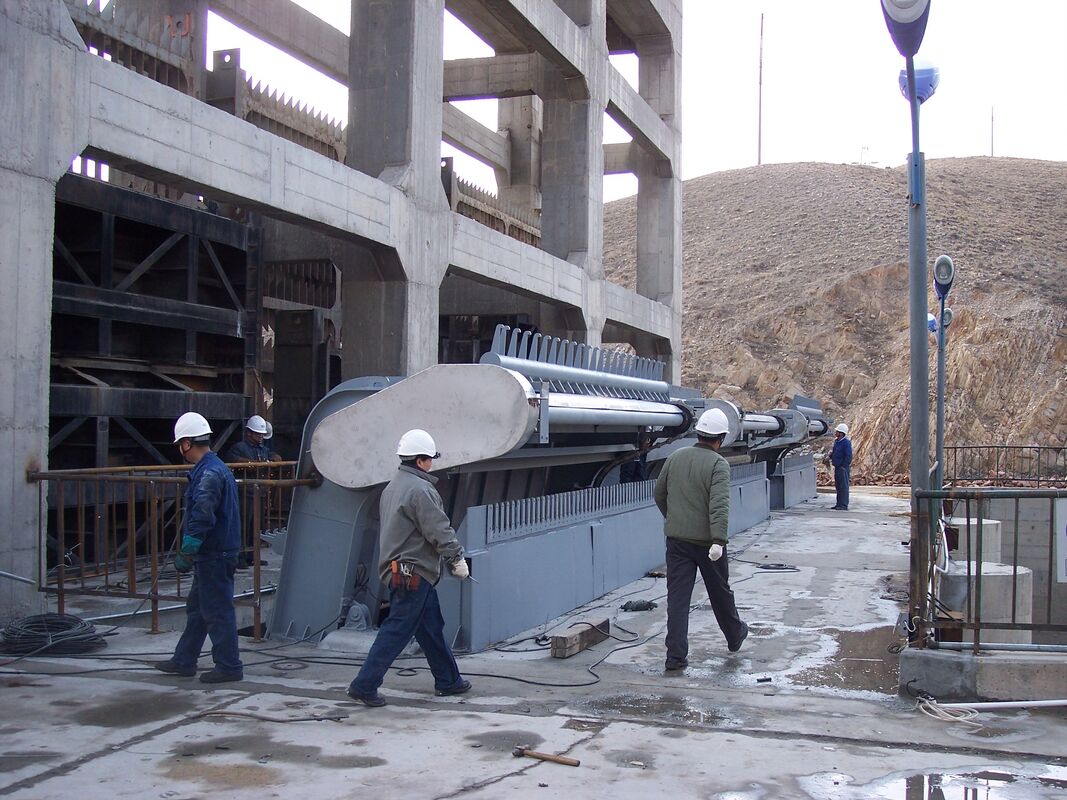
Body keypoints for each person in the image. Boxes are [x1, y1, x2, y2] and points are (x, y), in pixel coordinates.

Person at [346, 429, 471, 707]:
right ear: (420, 460)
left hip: (402, 571)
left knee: (430, 628)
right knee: (397, 630)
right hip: (413, 572)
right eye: (430, 459)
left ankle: (448, 680)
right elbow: (438, 528)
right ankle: (364, 685)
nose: (432, 464)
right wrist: (456, 558)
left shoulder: (393, 486)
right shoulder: (420, 490)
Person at [654, 408, 748, 672]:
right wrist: (718, 539)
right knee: (720, 593)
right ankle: (734, 635)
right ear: (720, 439)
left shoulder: (675, 457)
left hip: (677, 541)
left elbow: (659, 493)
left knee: (678, 599)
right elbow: (719, 505)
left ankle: (675, 657)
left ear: (699, 433)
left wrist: (674, 519)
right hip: (709, 544)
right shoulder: (718, 464)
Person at [155, 412, 244, 683]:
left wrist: (188, 549)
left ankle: (229, 666)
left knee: (217, 610)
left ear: (186, 443)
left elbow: (203, 515)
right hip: (217, 552)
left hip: (214, 554)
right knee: (198, 608)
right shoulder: (214, 468)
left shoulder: (209, 474)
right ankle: (184, 660)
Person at [830, 423, 853, 510]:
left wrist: (844, 466)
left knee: (843, 486)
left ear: (841, 433)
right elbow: (835, 452)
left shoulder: (846, 443)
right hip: (837, 466)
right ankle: (838, 504)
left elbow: (848, 456)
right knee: (838, 486)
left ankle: (843, 505)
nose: (835, 433)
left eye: (837, 431)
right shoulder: (837, 442)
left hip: (843, 468)